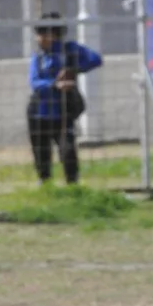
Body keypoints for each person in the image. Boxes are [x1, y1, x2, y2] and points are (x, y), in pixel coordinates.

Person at [27, 12, 101, 185]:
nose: (39, 39)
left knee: (67, 149)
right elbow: (34, 82)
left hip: (63, 111)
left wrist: (73, 69)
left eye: (42, 34)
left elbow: (95, 59)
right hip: (39, 112)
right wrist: (54, 84)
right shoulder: (38, 58)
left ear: (53, 35)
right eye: (38, 34)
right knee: (41, 150)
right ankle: (45, 182)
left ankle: (72, 183)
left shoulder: (70, 50)